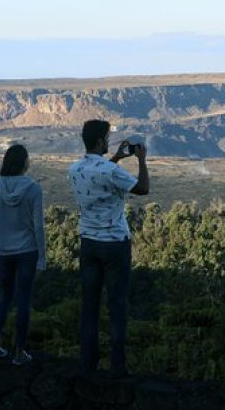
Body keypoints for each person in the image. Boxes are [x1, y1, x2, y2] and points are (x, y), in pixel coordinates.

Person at [68, 120, 149, 377]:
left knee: (89, 305)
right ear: (101, 141)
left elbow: (99, 174)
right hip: (114, 244)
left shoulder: (75, 168)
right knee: (117, 305)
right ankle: (117, 365)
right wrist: (141, 160)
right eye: (108, 138)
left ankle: (87, 363)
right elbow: (143, 188)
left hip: (88, 243)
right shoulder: (110, 171)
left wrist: (115, 158)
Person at [0, 144, 46, 366]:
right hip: (28, 252)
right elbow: (38, 227)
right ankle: (19, 352)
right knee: (23, 302)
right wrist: (42, 260)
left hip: (4, 253)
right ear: (24, 162)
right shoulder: (33, 188)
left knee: (4, 298)